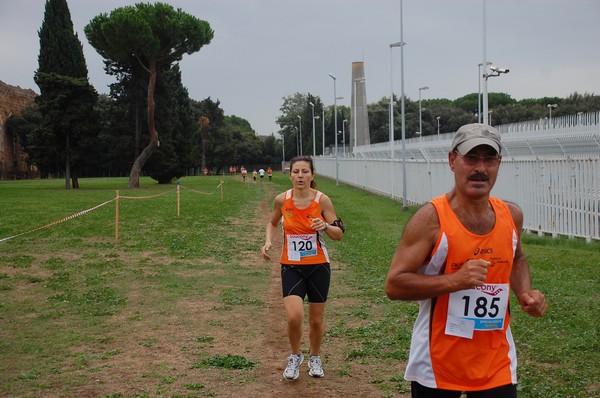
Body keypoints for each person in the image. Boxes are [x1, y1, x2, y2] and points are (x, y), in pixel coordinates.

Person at [384, 123, 547, 397]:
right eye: (471, 157)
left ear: (499, 163)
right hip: (438, 363)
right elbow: (394, 285)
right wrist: (455, 281)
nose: (480, 168)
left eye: (489, 159)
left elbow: (517, 258)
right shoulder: (430, 219)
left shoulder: (512, 216)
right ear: (452, 160)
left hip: (496, 362)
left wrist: (525, 293)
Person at [262, 155, 345, 380]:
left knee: (316, 320)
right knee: (294, 317)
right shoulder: (282, 200)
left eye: (305, 172)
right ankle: (295, 356)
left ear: (312, 175)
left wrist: (326, 225)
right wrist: (269, 240)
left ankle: (315, 357)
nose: (300, 176)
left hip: (318, 265)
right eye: (296, 172)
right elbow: (272, 222)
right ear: (290, 175)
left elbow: (339, 233)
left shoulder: (322, 200)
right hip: (291, 265)